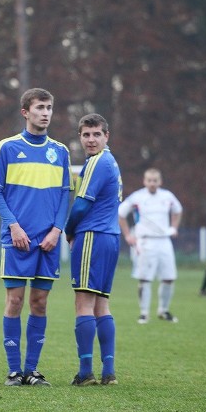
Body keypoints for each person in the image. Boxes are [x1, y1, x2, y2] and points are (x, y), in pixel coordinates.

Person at [0, 88, 72, 386]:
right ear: (25, 112)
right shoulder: (7, 147)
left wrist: (57, 231)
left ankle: (32, 371)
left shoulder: (60, 151)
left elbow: (64, 197)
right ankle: (14, 372)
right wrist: (14, 226)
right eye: (40, 107)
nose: (46, 112)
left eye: (49, 107)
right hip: (17, 240)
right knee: (15, 301)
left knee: (39, 303)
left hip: (48, 241)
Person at [65, 113, 122, 386]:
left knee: (83, 302)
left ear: (106, 136)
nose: (91, 140)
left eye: (96, 134)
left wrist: (68, 230)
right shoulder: (111, 162)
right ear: (80, 137)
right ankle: (108, 372)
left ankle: (86, 371)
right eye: (86, 135)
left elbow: (81, 204)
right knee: (101, 303)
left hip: (92, 237)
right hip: (111, 238)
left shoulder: (98, 163)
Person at [118, 168, 182, 324]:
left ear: (160, 181)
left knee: (169, 277)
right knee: (145, 278)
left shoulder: (167, 196)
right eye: (149, 180)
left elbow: (178, 211)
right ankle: (144, 313)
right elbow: (121, 214)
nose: (152, 183)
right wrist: (127, 235)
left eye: (155, 181)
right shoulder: (137, 197)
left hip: (164, 240)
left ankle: (163, 310)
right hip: (146, 241)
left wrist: (174, 227)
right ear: (144, 181)